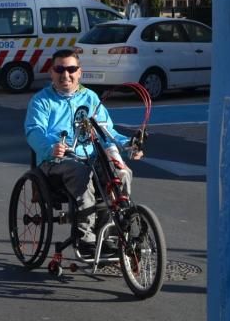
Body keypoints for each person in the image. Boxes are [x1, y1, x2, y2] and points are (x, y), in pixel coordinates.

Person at [24, 48, 143, 256]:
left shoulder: (90, 98)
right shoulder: (41, 101)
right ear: (51, 72)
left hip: (91, 156)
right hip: (56, 160)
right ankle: (85, 237)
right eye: (59, 69)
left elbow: (107, 130)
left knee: (119, 173)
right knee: (82, 172)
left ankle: (111, 234)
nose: (65, 74)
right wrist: (50, 147)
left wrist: (128, 145)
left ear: (80, 72)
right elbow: (34, 131)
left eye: (71, 69)